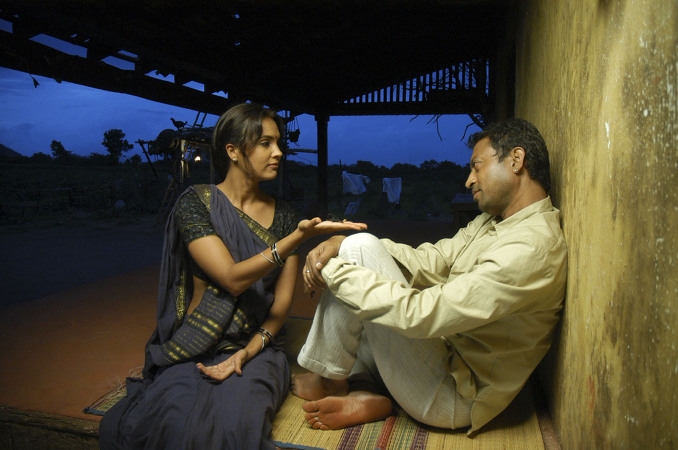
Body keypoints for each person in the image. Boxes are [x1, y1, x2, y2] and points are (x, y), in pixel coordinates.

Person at [99, 103, 366, 449]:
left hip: (257, 345)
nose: (278, 152)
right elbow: (232, 279)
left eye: (278, 142)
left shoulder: (285, 216)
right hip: (198, 343)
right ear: (233, 151)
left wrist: (247, 352)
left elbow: (281, 305)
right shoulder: (196, 204)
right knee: (170, 418)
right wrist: (298, 238)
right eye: (266, 143)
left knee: (237, 425)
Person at [291, 118, 568, 436]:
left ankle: (334, 381)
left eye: (477, 166)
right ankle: (365, 392)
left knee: (359, 276)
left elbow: (423, 315)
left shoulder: (531, 248)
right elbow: (433, 260)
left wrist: (334, 271)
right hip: (441, 353)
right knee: (358, 274)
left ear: (516, 160)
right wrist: (342, 246)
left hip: (454, 395)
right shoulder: (494, 222)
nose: (469, 180)